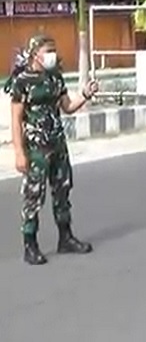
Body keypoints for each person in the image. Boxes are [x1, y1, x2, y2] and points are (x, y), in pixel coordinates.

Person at [4, 34, 100, 265]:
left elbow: (67, 107)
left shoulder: (55, 77)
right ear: (35, 53)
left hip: (58, 144)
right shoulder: (22, 81)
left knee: (62, 191)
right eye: (48, 51)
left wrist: (86, 94)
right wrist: (19, 153)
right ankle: (30, 244)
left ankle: (65, 238)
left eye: (53, 50)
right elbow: (16, 120)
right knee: (33, 197)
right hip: (36, 149)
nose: (52, 55)